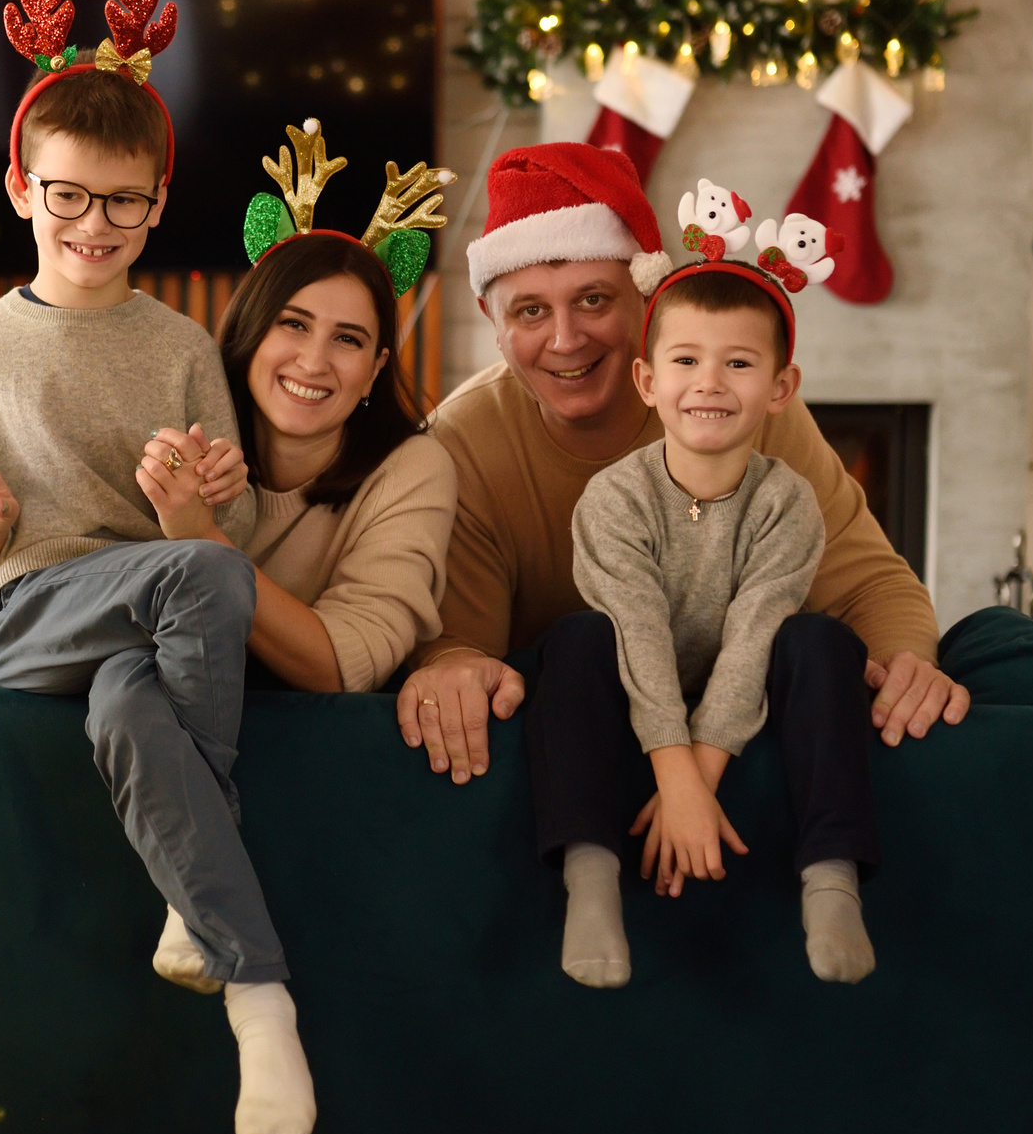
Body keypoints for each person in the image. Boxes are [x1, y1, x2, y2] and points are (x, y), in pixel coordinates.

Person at [0, 0, 316, 1134]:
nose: (95, 223)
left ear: (159, 203)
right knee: (207, 580)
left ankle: (249, 984)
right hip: (25, 614)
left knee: (143, 691)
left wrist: (211, 489)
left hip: (139, 638)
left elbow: (215, 489)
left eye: (123, 203)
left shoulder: (180, 346)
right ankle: (222, 850)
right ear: (22, 187)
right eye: (69, 194)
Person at [394, 141, 968, 791]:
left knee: (1015, 650)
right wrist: (452, 666)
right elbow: (461, 647)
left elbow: (873, 586)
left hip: (745, 720)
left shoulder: (738, 407)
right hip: (578, 734)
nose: (564, 338)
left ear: (647, 300)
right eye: (530, 310)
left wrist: (905, 663)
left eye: (592, 300)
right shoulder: (463, 443)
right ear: (491, 321)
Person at [549, 252, 883, 990]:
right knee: (577, 641)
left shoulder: (787, 502)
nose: (708, 382)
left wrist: (699, 778)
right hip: (638, 680)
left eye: (738, 362)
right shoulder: (614, 499)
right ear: (648, 380)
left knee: (822, 640)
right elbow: (635, 633)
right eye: (686, 359)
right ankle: (591, 880)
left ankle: (832, 881)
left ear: (780, 388)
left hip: (746, 681)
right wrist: (674, 775)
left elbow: (756, 637)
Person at [177, 221, 456, 696]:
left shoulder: (411, 470)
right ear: (251, 328)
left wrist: (203, 540)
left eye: (347, 339)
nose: (313, 361)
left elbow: (348, 664)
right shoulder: (184, 430)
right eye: (294, 324)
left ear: (375, 371)